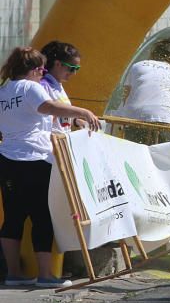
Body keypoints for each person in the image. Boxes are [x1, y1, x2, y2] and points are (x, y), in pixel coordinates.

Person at [0, 47, 100, 288]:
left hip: (7, 159)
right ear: (36, 69)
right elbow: (50, 108)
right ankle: (45, 274)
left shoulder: (3, 90)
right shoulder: (31, 87)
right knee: (42, 217)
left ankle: (13, 274)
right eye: (41, 70)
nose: (42, 74)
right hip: (35, 158)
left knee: (13, 217)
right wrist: (83, 111)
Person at [119, 38, 170, 144]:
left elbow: (126, 98)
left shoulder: (138, 66)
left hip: (134, 122)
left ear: (153, 54)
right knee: (169, 158)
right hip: (165, 124)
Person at [38, 41, 83, 132]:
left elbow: (60, 116)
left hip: (61, 142)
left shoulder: (58, 86)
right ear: (57, 64)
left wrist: (76, 121)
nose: (74, 73)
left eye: (77, 69)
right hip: (51, 143)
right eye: (72, 68)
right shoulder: (43, 86)